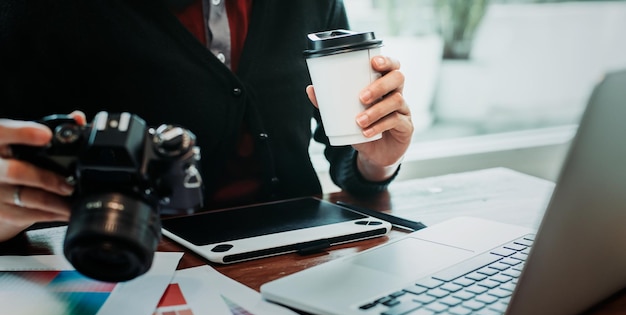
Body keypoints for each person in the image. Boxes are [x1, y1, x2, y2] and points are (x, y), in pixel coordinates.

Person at [0, 0, 413, 243]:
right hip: (127, 262)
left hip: (297, 246)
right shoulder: (39, 11)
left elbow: (351, 163)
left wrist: (377, 159)